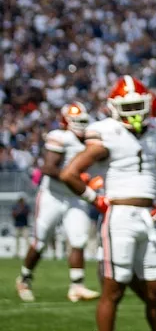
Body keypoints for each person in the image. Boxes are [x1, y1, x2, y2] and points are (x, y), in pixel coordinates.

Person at [58, 76, 156, 331]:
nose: (134, 113)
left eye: (138, 106)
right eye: (128, 106)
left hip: (147, 217)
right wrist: (96, 199)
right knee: (114, 287)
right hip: (118, 215)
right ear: (114, 108)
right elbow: (69, 173)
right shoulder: (106, 133)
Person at [16, 102, 100, 303]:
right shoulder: (60, 137)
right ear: (65, 122)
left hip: (74, 197)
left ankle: (77, 286)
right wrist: (77, 179)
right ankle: (25, 279)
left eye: (83, 122)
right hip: (52, 196)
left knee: (78, 240)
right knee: (40, 241)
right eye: (76, 122)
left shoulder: (91, 139)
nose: (80, 126)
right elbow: (48, 168)